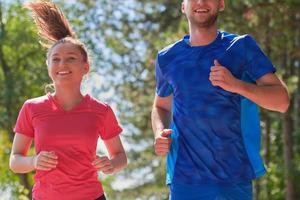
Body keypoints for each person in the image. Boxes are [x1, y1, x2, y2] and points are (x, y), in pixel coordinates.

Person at [151, 0, 290, 199]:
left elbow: (282, 101)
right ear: (183, 6)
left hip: (233, 177)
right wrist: (159, 132)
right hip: (184, 179)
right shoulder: (167, 58)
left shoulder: (241, 47)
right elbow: (160, 106)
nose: (201, 2)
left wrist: (237, 85)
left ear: (221, 4)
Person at [9, 1, 127, 200]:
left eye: (71, 58)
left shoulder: (101, 111)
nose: (62, 64)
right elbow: (15, 160)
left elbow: (120, 156)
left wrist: (111, 164)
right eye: (55, 59)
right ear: (49, 67)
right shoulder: (32, 108)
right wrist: (34, 161)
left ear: (85, 67)